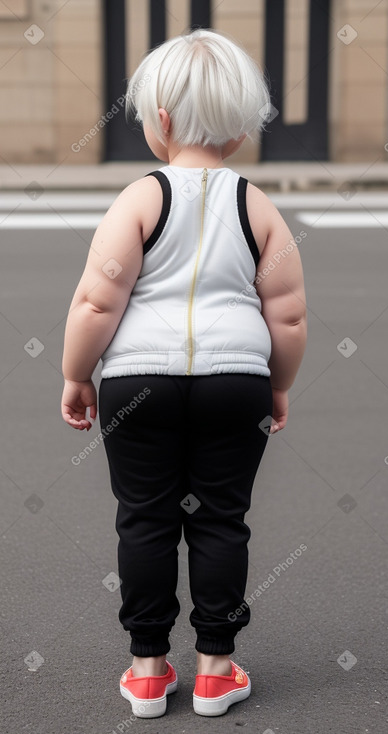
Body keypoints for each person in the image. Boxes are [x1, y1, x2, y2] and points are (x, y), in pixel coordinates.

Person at [61, 28, 307, 719]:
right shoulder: (255, 204)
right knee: (221, 520)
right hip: (237, 381)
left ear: (159, 120)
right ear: (238, 126)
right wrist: (277, 381)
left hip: (138, 380)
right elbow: (286, 315)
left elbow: (95, 299)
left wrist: (77, 373)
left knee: (144, 520)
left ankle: (146, 668)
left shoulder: (139, 199)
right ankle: (216, 667)